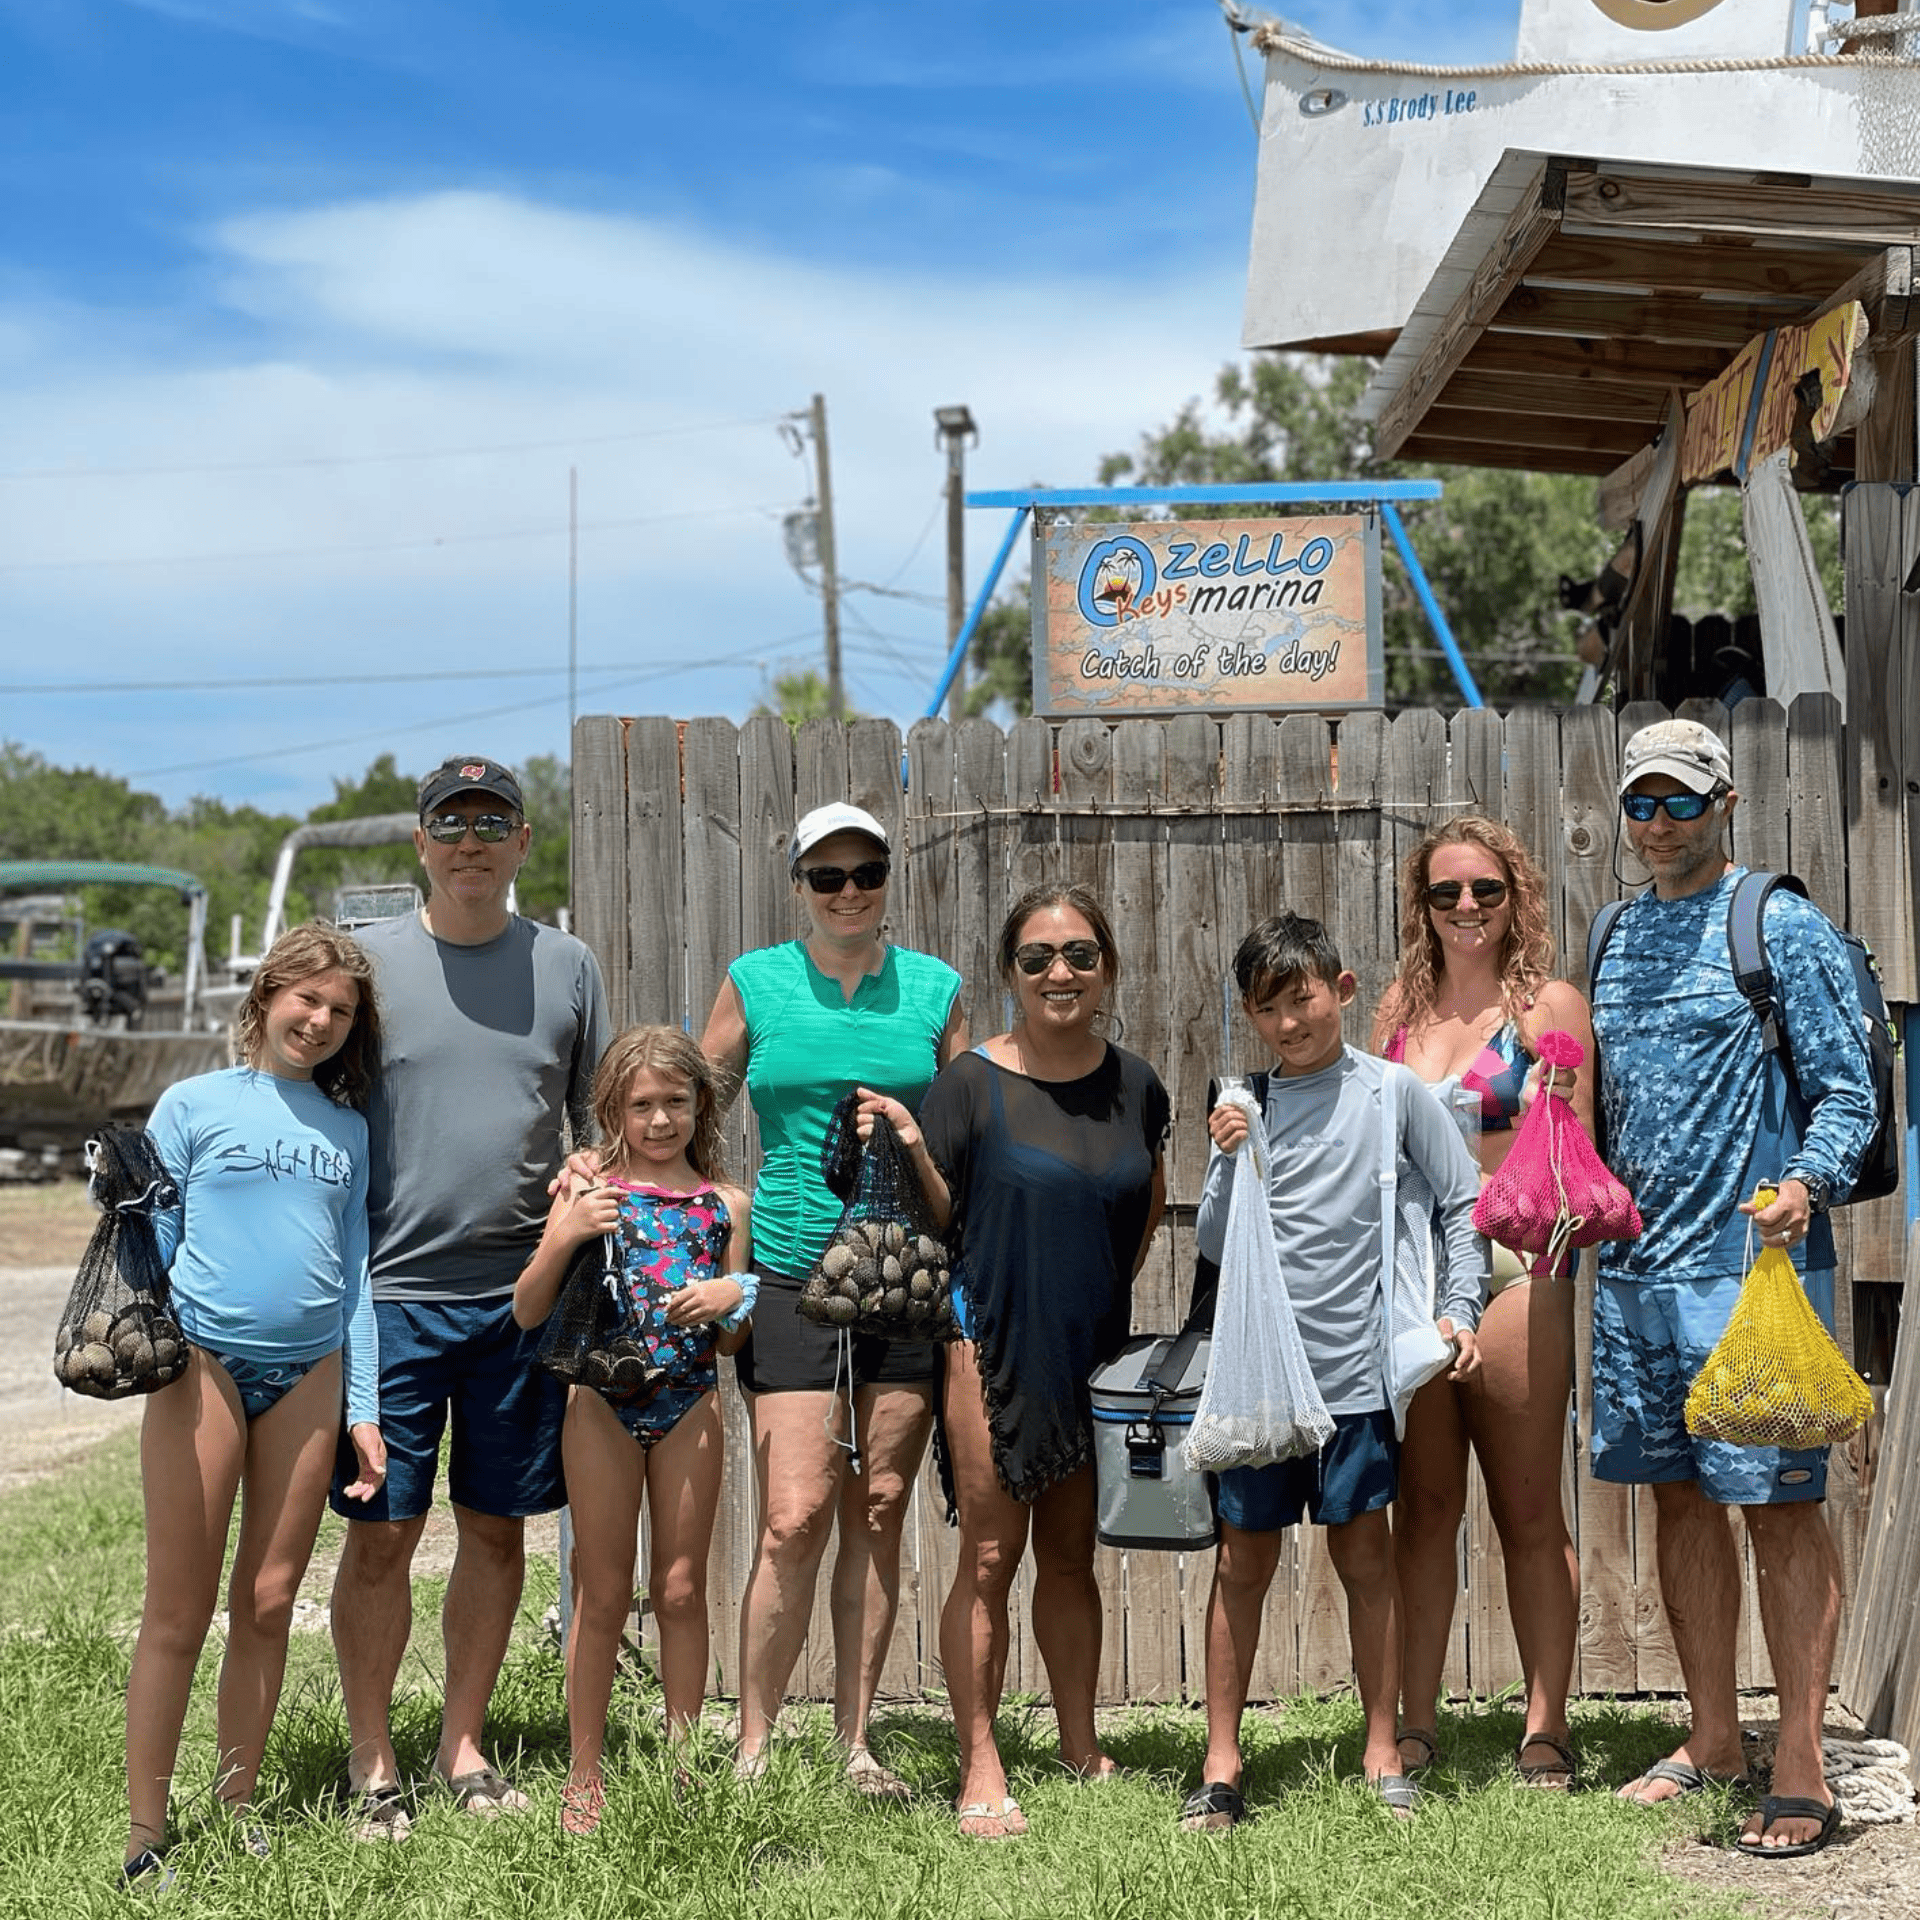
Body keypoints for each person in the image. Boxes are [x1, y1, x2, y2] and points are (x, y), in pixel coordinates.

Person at [1592, 719, 1875, 1858]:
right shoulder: (1610, 937)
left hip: (1754, 1274)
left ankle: (1799, 1759)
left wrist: (1809, 1180)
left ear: (1726, 802)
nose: (1658, 825)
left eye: (1679, 802)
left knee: (1781, 1505)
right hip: (1638, 1280)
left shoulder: (1779, 923)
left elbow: (1847, 1091)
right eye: (1641, 805)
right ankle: (1712, 1736)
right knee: (1676, 1499)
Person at [328, 754, 611, 1840]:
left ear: (524, 842)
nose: (472, 841)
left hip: (521, 1300)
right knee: (382, 1537)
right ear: (421, 843)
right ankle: (371, 1762)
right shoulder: (369, 967)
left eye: (494, 821)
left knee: (496, 1534)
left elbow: (594, 1118)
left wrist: (593, 1174)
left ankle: (463, 1745)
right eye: (452, 822)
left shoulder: (568, 964)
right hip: (390, 1297)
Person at [862, 883, 1168, 1840]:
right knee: (991, 1557)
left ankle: (1080, 1742)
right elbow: (941, 1220)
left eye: (1079, 954)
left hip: (1099, 1353)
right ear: (1010, 974)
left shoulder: (1139, 1084)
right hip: (990, 1349)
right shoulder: (970, 1085)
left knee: (1073, 1556)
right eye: (1036, 958)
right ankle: (981, 1761)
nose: (1059, 974)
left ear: (1107, 967)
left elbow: (1144, 1207)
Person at [1182, 913, 1484, 1832]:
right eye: (1268, 1007)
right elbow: (1212, 1243)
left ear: (1342, 991)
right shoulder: (1246, 1103)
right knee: (1243, 1563)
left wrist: (1458, 1310)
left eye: (1303, 998)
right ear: (1249, 1013)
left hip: (1357, 1381)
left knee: (1364, 1556)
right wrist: (1229, 1157)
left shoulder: (1394, 1094)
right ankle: (1221, 1764)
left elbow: (1464, 1198)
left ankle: (1382, 1747)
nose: (1289, 1022)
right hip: (1259, 1380)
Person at [699, 801, 967, 1791]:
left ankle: (856, 1743)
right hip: (786, 1270)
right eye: (827, 876)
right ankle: (755, 1746)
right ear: (799, 887)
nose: (848, 891)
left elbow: (962, 1138)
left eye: (866, 872)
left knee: (883, 1504)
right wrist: (692, 1206)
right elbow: (691, 1100)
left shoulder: (935, 990)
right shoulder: (756, 982)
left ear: (888, 878)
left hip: (900, 1272)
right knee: (795, 1515)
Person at [123, 923, 387, 1887]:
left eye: (340, 1011)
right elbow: (146, 1247)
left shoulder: (349, 1130)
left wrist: (363, 1407)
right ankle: (148, 1831)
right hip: (207, 1367)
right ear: (267, 995)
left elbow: (357, 1279)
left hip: (310, 1373)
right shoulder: (191, 1105)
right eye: (305, 999)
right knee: (178, 1611)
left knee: (269, 1601)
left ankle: (237, 1807)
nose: (318, 1021)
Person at [1368, 816, 1595, 1789]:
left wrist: (1525, 1264)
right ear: (1421, 905)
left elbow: (1576, 1159)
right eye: (1445, 892)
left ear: (1516, 899)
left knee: (1529, 1510)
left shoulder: (1549, 1005)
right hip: (1414, 1281)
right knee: (1420, 1510)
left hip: (1518, 1271)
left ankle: (1545, 1728)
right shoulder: (1395, 1010)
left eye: (1485, 891)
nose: (1466, 908)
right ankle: (1413, 1726)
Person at [514, 1027, 754, 1836]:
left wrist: (736, 1295)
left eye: (675, 1102)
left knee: (683, 1587)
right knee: (601, 1587)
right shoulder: (590, 1193)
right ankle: (585, 1774)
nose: (659, 1121)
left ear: (702, 1105)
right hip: (599, 1408)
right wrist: (568, 1233)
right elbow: (527, 1308)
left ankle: (684, 1768)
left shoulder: (726, 1206)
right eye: (641, 1104)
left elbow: (728, 1344)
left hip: (692, 1403)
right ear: (612, 1108)